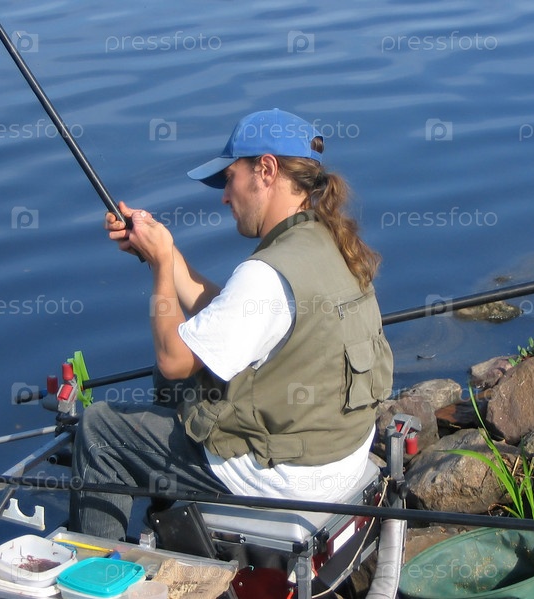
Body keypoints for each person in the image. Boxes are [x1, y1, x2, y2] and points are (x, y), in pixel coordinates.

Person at [69, 108, 393, 541]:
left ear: (266, 170)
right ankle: (167, 515)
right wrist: (159, 250)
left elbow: (172, 359)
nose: (224, 197)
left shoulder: (266, 274)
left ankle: (94, 567)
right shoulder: (328, 240)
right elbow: (234, 316)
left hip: (291, 478)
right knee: (188, 372)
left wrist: (162, 264)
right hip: (341, 453)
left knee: (100, 429)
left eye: (229, 178)